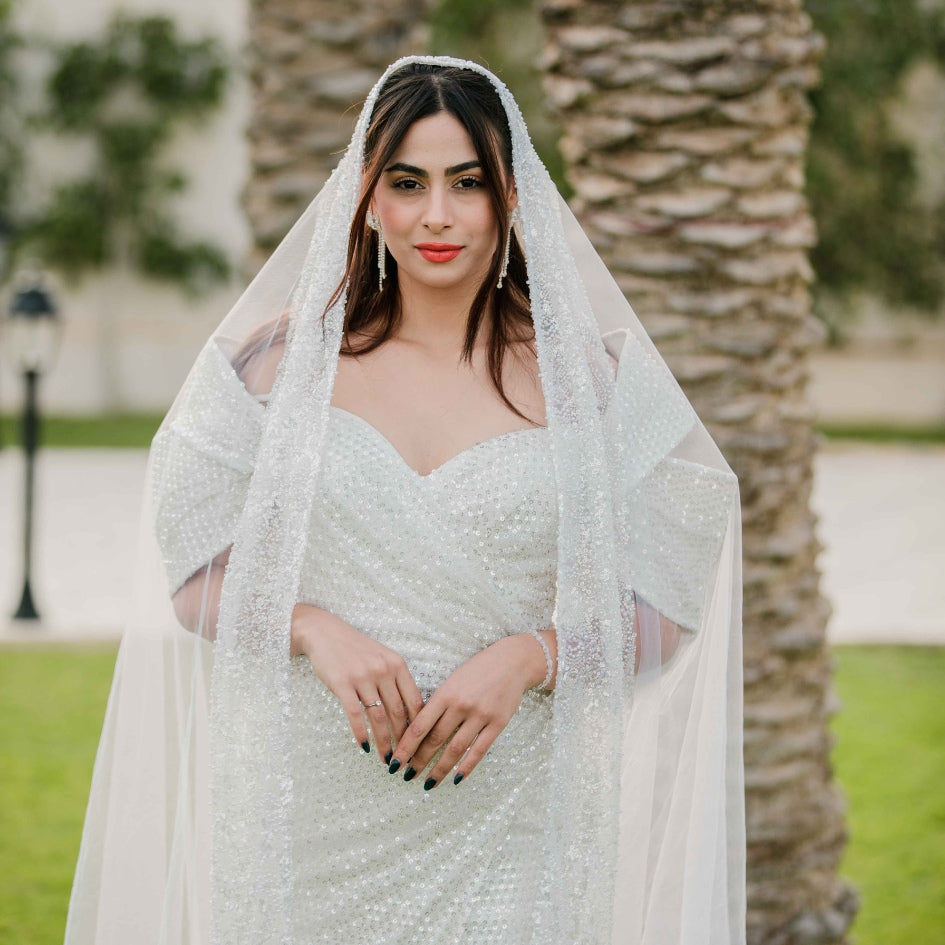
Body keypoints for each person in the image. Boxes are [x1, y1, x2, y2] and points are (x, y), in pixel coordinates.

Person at [64, 57, 745, 945]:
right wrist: (308, 623)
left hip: (509, 816)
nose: (436, 215)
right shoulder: (274, 370)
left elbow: (674, 599)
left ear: (510, 195)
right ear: (368, 198)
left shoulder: (594, 381)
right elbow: (192, 573)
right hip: (313, 821)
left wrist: (530, 655)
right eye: (408, 182)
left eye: (466, 183)